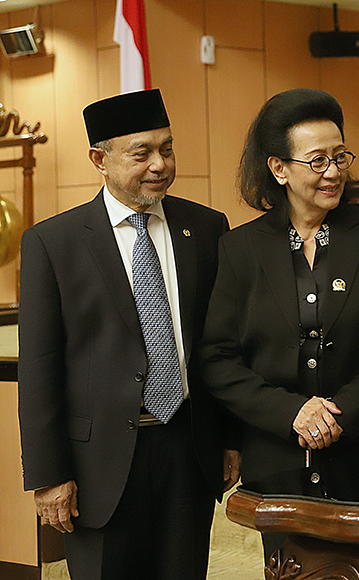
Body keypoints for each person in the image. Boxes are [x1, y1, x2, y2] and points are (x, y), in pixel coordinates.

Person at [197, 88, 359, 558]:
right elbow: (218, 358)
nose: (333, 172)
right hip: (280, 464)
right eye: (317, 160)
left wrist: (340, 413)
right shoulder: (240, 250)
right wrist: (292, 414)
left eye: (340, 157)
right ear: (279, 169)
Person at [17, 89, 239, 580]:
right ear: (100, 158)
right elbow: (39, 368)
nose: (160, 164)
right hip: (98, 460)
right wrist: (50, 475)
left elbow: (220, 345)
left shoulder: (205, 228)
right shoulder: (54, 243)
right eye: (142, 153)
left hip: (188, 447)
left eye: (168, 148)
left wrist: (230, 437)